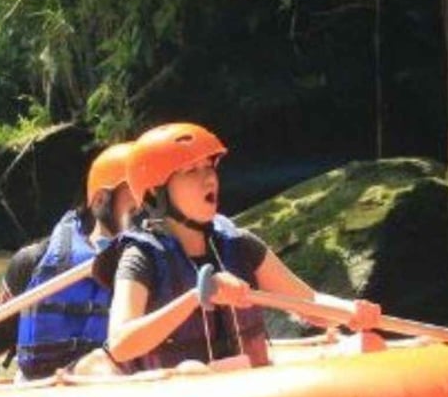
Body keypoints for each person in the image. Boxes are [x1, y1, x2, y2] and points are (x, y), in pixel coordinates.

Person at [98, 122, 380, 373]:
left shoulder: (239, 244)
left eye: (209, 167)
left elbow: (309, 304)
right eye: (191, 171)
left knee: (367, 343)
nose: (208, 178)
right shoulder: (141, 257)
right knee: (191, 370)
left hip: (250, 395)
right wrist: (197, 296)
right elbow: (121, 344)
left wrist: (350, 311)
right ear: (155, 194)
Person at [0, 141, 136, 378]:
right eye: (138, 201)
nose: (150, 213)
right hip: (42, 391)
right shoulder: (32, 261)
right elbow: (1, 333)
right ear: (100, 201)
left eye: (156, 200)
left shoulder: (161, 260)